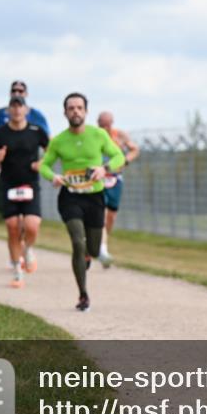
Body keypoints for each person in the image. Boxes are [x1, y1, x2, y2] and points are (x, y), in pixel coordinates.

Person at [39, 93, 125, 311]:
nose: (75, 111)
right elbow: (44, 165)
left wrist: (103, 169)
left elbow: (119, 157)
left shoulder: (98, 135)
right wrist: (54, 177)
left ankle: (89, 255)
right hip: (70, 197)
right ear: (65, 112)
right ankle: (83, 295)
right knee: (78, 241)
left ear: (86, 112)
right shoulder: (58, 140)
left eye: (79, 108)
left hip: (95, 197)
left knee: (94, 250)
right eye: (71, 108)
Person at [0, 95, 49, 288]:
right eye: (12, 107)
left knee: (32, 225)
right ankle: (18, 272)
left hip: (30, 184)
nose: (16, 110)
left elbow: (52, 154)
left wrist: (42, 163)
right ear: (8, 111)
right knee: (12, 227)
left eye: (19, 106)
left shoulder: (37, 131)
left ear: (26, 110)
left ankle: (28, 249)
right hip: (8, 184)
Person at [95, 111, 140, 268]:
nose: (105, 127)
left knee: (111, 215)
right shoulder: (95, 136)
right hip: (99, 178)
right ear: (98, 123)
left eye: (108, 124)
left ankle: (102, 242)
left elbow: (135, 149)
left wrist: (125, 161)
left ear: (112, 123)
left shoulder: (119, 135)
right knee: (102, 212)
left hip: (115, 179)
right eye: (102, 124)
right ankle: (102, 249)